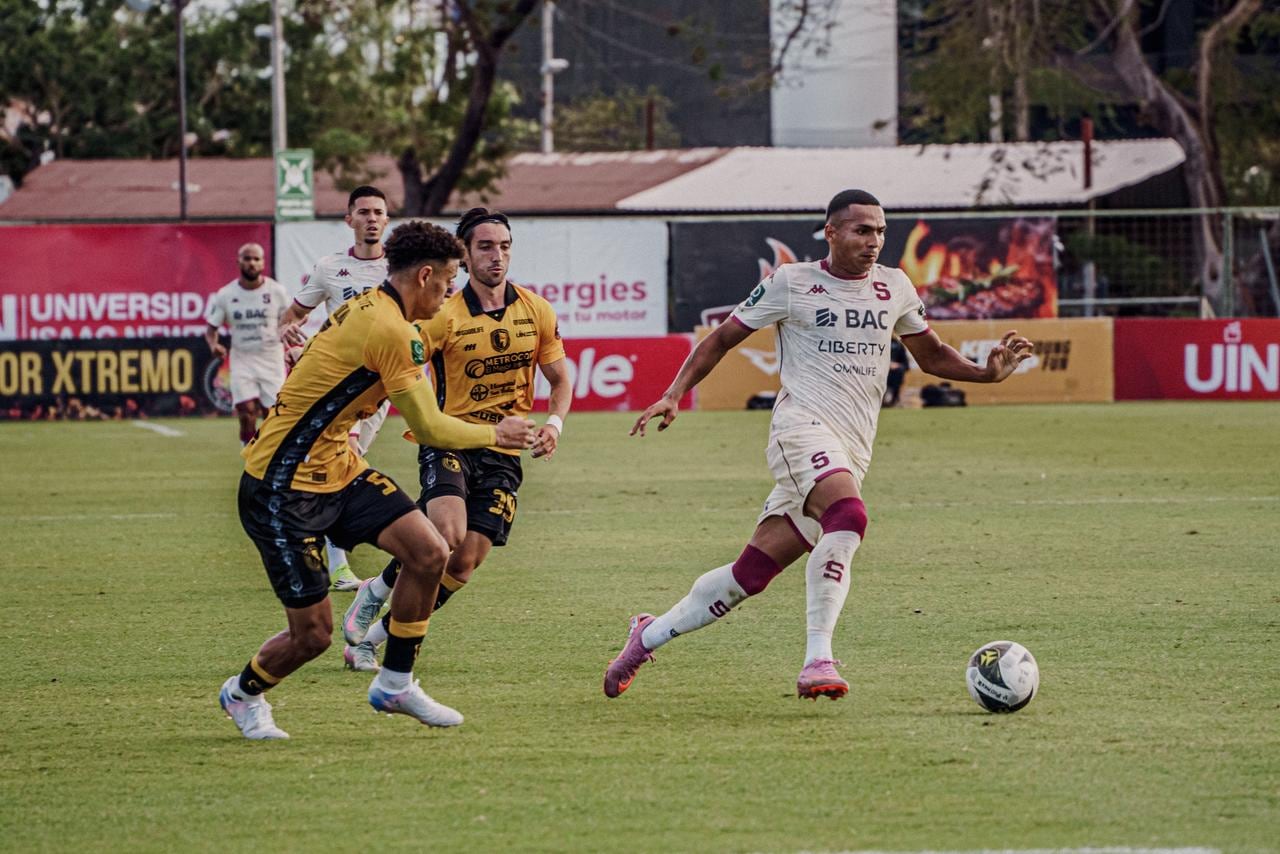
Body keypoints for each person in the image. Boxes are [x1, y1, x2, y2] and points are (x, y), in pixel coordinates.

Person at [602, 189, 1033, 701]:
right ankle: (818, 659)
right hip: (800, 428)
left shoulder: (893, 286)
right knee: (849, 516)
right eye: (861, 230)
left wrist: (987, 375)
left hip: (853, 445)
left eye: (879, 231)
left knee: (751, 575)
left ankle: (645, 637)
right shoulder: (793, 282)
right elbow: (721, 338)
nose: (873, 242)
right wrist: (674, 394)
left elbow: (931, 355)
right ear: (831, 232)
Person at [218, 221, 537, 739]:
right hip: (281, 487)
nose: (451, 292)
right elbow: (429, 426)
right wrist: (498, 433)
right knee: (313, 636)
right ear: (426, 276)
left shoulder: (375, 306)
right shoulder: (391, 331)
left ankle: (394, 683)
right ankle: (242, 694)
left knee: (430, 553)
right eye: (449, 281)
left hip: (339, 469)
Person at [340, 207, 572, 672]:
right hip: (450, 440)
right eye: (486, 246)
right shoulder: (442, 314)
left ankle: (373, 636)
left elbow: (560, 378)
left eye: (504, 246)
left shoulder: (536, 310)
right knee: (445, 537)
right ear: (464, 254)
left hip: (504, 449)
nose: (497, 256)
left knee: (463, 564)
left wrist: (553, 425)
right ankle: (381, 595)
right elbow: (397, 366)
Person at [279, 185, 392, 591]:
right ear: (350, 220)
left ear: (387, 219)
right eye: (364, 212)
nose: (372, 218)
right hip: (340, 383)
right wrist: (290, 337)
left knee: (344, 462)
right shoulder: (330, 268)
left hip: (385, 385)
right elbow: (291, 316)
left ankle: (310, 539)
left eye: (378, 212)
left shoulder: (399, 269)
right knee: (342, 460)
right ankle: (336, 562)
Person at [204, 243, 289, 444]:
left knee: (272, 415)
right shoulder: (226, 294)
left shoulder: (276, 292)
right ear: (239, 262)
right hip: (242, 358)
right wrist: (213, 346)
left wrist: (290, 342)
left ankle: (269, 457)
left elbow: (290, 320)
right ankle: (250, 456)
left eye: (256, 259)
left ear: (263, 263)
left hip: (271, 358)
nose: (252, 263)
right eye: (247, 259)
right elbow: (211, 329)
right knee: (246, 412)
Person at [883, 337, 909, 406]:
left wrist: (897, 365)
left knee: (898, 372)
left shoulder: (899, 345)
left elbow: (906, 365)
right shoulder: (879, 343)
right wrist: (887, 364)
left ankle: (893, 398)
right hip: (881, 371)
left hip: (895, 373)